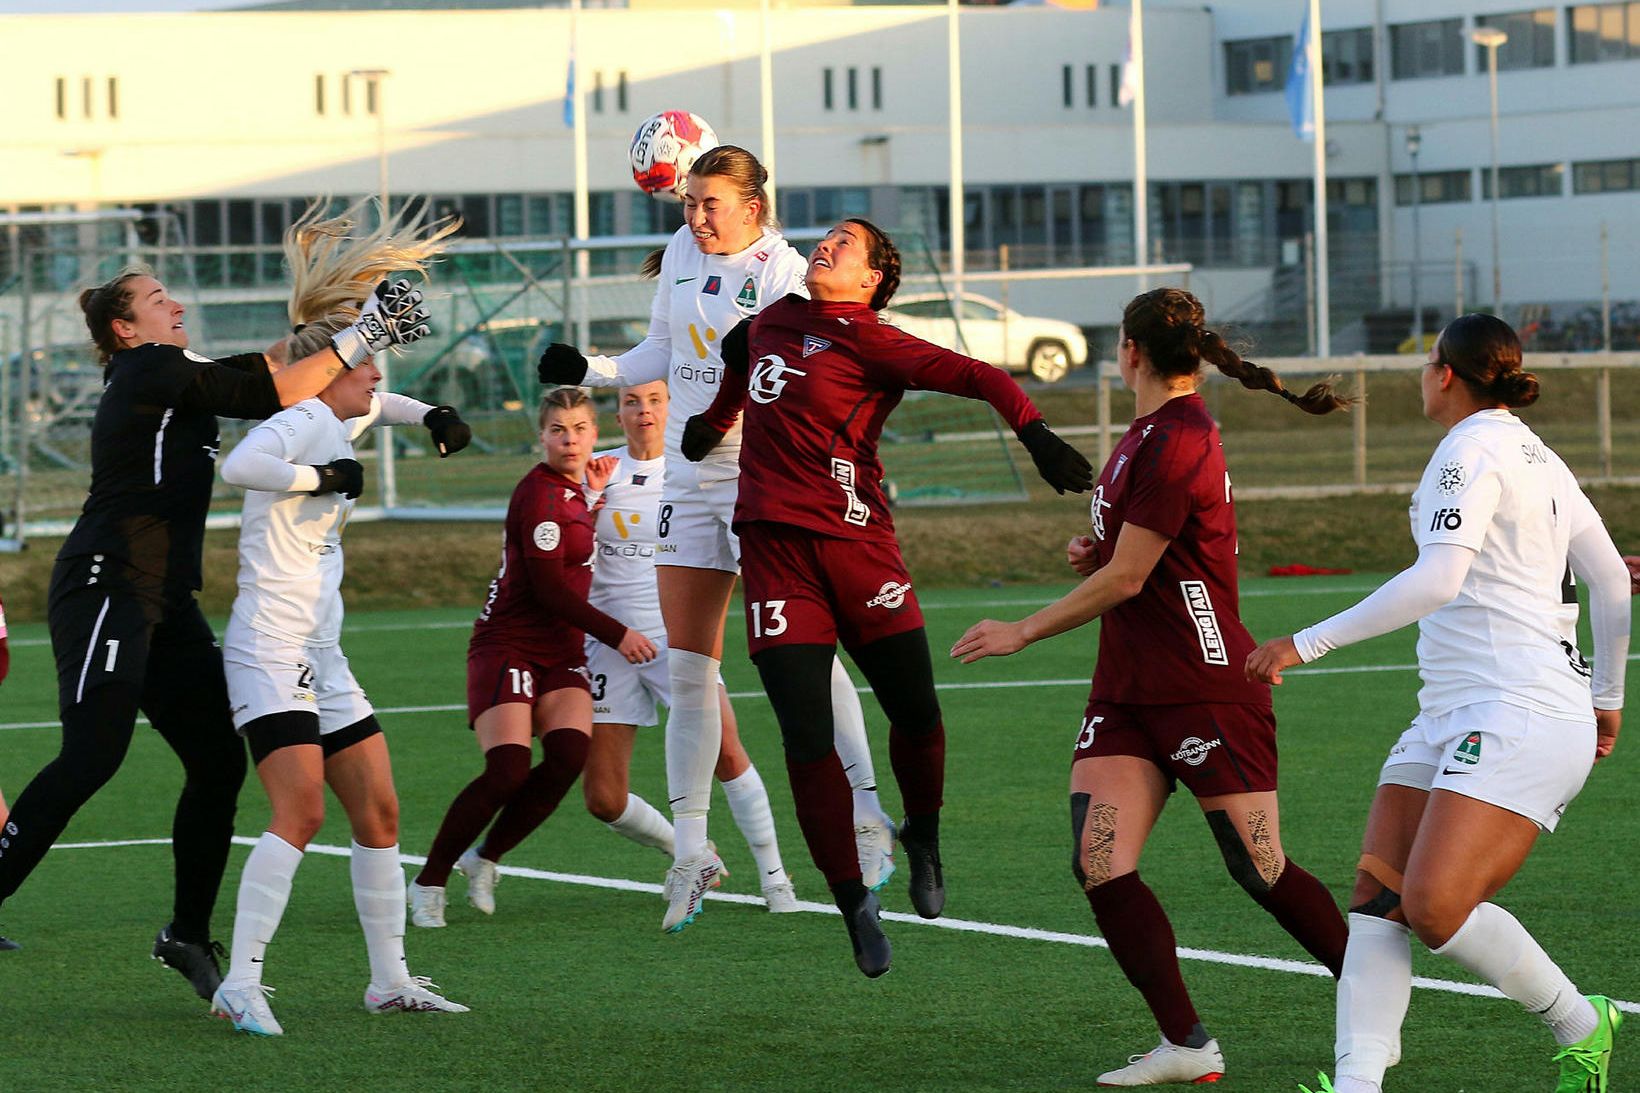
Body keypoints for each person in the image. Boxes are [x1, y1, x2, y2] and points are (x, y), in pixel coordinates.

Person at [951, 287, 1354, 1083]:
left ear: (1130, 351)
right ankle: (1187, 1042)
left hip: (1203, 683)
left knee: (1260, 867)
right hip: (1130, 690)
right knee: (1099, 861)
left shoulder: (1179, 438)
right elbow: (1131, 555)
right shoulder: (1144, 436)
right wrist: (1092, 551)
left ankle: (1371, 995)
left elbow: (1134, 577)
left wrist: (1024, 628)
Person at [0, 258, 430, 998]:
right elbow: (274, 386)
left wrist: (354, 334)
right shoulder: (148, 369)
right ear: (123, 328)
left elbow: (278, 370)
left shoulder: (178, 368)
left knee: (217, 761)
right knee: (93, 753)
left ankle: (186, 933)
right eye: (155, 299)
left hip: (166, 597)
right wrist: (364, 331)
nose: (175, 304)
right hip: (108, 581)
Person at [684, 218, 1092, 977]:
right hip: (776, 558)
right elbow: (741, 370)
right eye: (828, 235)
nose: (828, 244)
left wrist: (1037, 436)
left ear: (872, 279)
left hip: (859, 549)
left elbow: (985, 377)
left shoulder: (875, 340)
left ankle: (925, 834)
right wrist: (709, 426)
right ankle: (853, 906)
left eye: (848, 243)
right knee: (805, 740)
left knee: (916, 711)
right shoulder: (768, 320)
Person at [1245, 314, 1630, 1093]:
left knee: (1433, 905)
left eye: (1427, 361)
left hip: (1515, 708)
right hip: (1461, 709)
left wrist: (1303, 641)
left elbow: (1438, 579)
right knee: (1378, 899)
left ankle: (1582, 1023)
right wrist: (1609, 696)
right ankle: (1357, 1084)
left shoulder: (1471, 448)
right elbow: (1614, 581)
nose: (1423, 373)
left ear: (1447, 374)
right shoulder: (1538, 454)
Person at [537, 145, 896, 933]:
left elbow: (785, 373)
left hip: (764, 478)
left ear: (752, 209)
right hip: (687, 477)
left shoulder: (783, 272)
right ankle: (692, 851)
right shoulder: (680, 251)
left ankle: (870, 811)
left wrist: (720, 424)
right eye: (688, 202)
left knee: (806, 653)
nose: (695, 217)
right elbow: (660, 352)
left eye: (709, 204)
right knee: (689, 665)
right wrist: (594, 367)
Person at [210, 199, 471, 1036]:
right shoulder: (298, 420)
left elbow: (377, 405)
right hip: (267, 645)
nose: (379, 379)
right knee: (303, 812)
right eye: (367, 362)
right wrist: (317, 481)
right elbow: (238, 465)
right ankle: (240, 981)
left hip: (320, 648)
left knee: (381, 811)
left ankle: (388, 978)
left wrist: (429, 414)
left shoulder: (340, 406)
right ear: (334, 369)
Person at [452, 380, 803, 915]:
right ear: (616, 414)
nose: (644, 411)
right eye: (632, 402)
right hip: (607, 647)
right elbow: (559, 544)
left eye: (655, 401)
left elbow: (726, 551)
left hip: (674, 640)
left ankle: (776, 880)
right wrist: (591, 499)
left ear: (672, 407)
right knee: (603, 799)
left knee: (726, 751)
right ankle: (695, 856)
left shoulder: (696, 472)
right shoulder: (598, 472)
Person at [409, 389, 658, 926]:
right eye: (557, 430)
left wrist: (591, 499)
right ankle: (428, 881)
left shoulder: (575, 490)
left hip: (560, 650)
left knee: (569, 756)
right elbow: (549, 589)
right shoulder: (541, 497)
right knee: (507, 770)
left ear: (596, 433)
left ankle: (486, 858)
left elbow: (575, 547)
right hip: (509, 644)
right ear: (540, 437)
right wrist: (619, 635)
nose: (570, 440)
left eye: (580, 428)